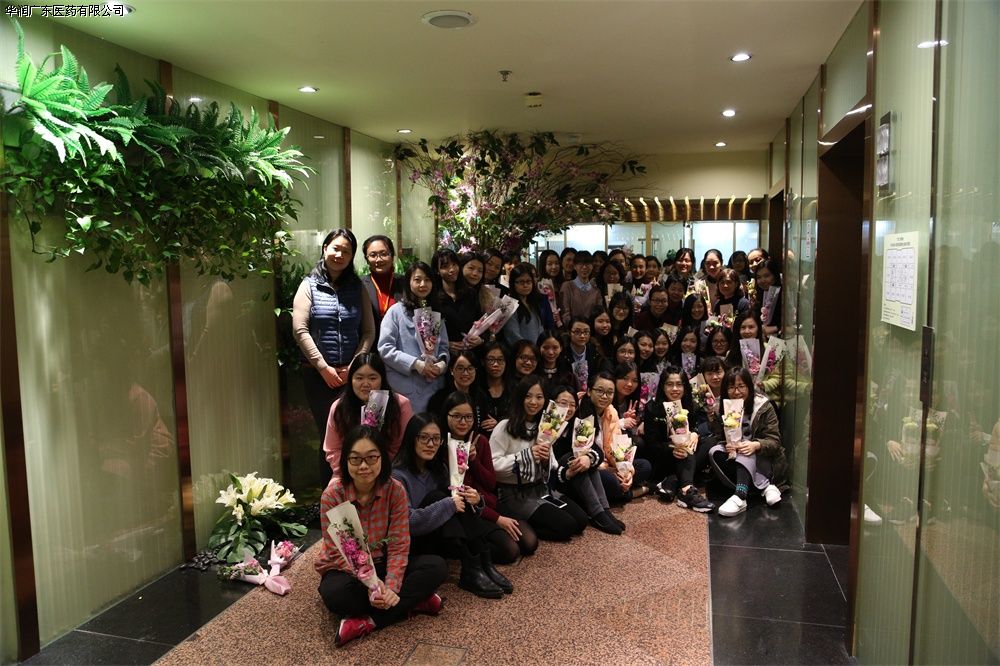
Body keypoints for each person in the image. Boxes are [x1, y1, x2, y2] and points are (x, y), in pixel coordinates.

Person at [317, 426, 447, 648]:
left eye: (371, 457)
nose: (364, 466)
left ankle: (368, 621)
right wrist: (372, 585)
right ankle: (413, 602)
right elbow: (337, 552)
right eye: (356, 459)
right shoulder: (333, 495)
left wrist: (391, 587)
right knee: (335, 595)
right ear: (346, 461)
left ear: (382, 459)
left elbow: (399, 544)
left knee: (436, 567)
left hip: (383, 562)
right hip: (347, 570)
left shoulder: (395, 490)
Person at [392, 413, 509, 598]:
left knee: (456, 494)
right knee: (439, 497)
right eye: (424, 438)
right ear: (411, 439)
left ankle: (481, 563)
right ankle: (472, 567)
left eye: (436, 439)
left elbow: (458, 506)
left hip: (441, 536)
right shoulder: (398, 476)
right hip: (414, 543)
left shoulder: (439, 469)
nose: (430, 444)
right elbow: (408, 522)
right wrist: (448, 504)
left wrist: (476, 499)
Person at [293, 228, 376, 482]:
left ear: (352, 257)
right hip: (318, 376)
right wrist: (323, 367)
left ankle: (357, 491)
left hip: (352, 376)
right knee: (329, 437)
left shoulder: (357, 287)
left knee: (356, 433)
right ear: (325, 248)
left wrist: (355, 368)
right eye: (335, 248)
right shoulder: (309, 285)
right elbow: (299, 329)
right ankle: (331, 497)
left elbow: (368, 331)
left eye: (346, 251)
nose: (339, 255)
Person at [490, 376, 589, 541]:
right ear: (520, 397)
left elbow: (553, 465)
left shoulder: (545, 425)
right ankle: (527, 524)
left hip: (541, 490)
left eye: (539, 397)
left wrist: (545, 459)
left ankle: (537, 519)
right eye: (528, 396)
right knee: (566, 527)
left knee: (581, 521)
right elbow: (493, 465)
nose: (533, 402)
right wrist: (527, 455)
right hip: (514, 493)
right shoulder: (505, 426)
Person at [443, 391, 537, 564]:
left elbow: (491, 483)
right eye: (456, 416)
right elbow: (459, 493)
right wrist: (497, 519)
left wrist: (474, 461)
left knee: (530, 542)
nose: (463, 422)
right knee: (510, 551)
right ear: (446, 416)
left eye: (468, 417)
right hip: (468, 512)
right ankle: (466, 550)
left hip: (488, 502)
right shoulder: (443, 446)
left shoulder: (480, 441)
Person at [710, 367, 787, 516]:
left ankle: (740, 496)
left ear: (749, 387)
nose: (736, 392)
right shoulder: (723, 406)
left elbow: (775, 441)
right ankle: (764, 487)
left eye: (741, 386)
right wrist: (727, 443)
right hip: (737, 458)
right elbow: (719, 437)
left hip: (764, 460)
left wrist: (756, 445)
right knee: (714, 451)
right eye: (731, 387)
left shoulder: (764, 406)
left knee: (745, 447)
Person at [325, 353, 413, 483]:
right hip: (349, 471)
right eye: (359, 378)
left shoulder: (400, 405)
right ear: (351, 380)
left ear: (382, 379)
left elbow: (402, 447)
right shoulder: (339, 407)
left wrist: (375, 468)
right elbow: (333, 449)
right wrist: (354, 470)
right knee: (332, 490)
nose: (365, 384)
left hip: (390, 471)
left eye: (372, 378)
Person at [547, 386, 622, 535]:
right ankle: (597, 512)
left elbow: (597, 450)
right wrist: (566, 472)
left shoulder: (576, 424)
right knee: (573, 457)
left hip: (573, 477)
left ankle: (604, 509)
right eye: (563, 403)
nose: (568, 409)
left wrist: (588, 458)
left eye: (572, 405)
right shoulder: (546, 425)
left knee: (585, 457)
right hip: (554, 482)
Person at [378, 262, 450, 413]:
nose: (423, 284)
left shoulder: (436, 312)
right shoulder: (396, 312)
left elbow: (443, 347)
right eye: (417, 280)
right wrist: (416, 364)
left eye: (427, 280)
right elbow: (385, 348)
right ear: (408, 282)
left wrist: (442, 364)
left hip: (433, 387)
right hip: (404, 388)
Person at [643, 367, 715, 512]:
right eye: (670, 384)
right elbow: (652, 444)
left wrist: (695, 433)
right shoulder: (652, 407)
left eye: (679, 384)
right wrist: (672, 449)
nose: (675, 389)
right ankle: (686, 491)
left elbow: (695, 426)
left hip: (685, 457)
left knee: (711, 442)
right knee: (685, 450)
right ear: (663, 386)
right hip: (664, 459)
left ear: (685, 386)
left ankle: (673, 480)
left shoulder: (689, 404)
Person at [577, 371, 652, 504]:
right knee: (610, 481)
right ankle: (630, 494)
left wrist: (626, 472)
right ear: (589, 391)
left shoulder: (611, 411)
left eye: (610, 392)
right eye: (600, 391)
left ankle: (620, 490)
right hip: (592, 468)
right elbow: (582, 453)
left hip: (609, 465)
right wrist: (609, 470)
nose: (604, 396)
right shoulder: (580, 411)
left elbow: (618, 448)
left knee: (645, 466)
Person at [432, 248, 484, 355]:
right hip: (446, 355)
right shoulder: (433, 298)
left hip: (471, 354)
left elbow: (480, 322)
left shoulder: (470, 293)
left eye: (454, 265)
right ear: (437, 271)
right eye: (445, 266)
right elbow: (430, 333)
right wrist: (445, 344)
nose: (451, 270)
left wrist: (480, 339)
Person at [360, 235, 405, 343]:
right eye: (373, 255)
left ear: (392, 256)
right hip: (370, 346)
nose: (379, 259)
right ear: (367, 259)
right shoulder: (360, 285)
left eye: (384, 254)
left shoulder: (405, 283)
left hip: (401, 346)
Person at [501, 263, 555, 350]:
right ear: (513, 283)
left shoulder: (534, 303)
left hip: (537, 351)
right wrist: (529, 350)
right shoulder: (508, 304)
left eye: (528, 281)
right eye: (521, 282)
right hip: (521, 352)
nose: (525, 285)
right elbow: (512, 335)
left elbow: (541, 329)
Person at [427, 351, 480, 420]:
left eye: (470, 369)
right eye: (460, 368)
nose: (465, 373)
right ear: (451, 370)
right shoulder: (439, 398)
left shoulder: (480, 396)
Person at [476, 341, 511, 436]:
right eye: (491, 360)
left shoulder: (513, 388)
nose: (495, 364)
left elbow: (518, 417)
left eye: (500, 360)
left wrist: (499, 424)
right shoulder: (476, 388)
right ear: (483, 362)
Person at [558, 250, 601, 325]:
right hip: (572, 329)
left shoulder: (596, 291)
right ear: (575, 266)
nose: (584, 267)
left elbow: (599, 314)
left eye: (587, 264)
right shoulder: (567, 286)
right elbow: (565, 313)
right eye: (580, 264)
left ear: (592, 266)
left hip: (590, 330)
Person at [753, 257, 783, 337]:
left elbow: (791, 322)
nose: (762, 280)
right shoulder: (759, 294)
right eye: (759, 277)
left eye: (766, 276)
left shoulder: (784, 294)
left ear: (775, 275)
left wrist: (775, 328)